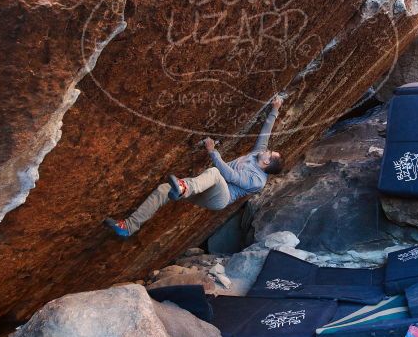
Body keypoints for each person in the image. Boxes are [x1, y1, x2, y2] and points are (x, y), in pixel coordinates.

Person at [104, 95, 285, 237]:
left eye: (270, 153)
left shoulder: (257, 181)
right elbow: (265, 132)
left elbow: (230, 177)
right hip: (203, 188)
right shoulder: (258, 154)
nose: (267, 150)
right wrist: (275, 109)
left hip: (219, 198)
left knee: (215, 172)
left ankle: (183, 188)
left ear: (267, 162)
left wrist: (213, 152)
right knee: (163, 190)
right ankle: (129, 226)